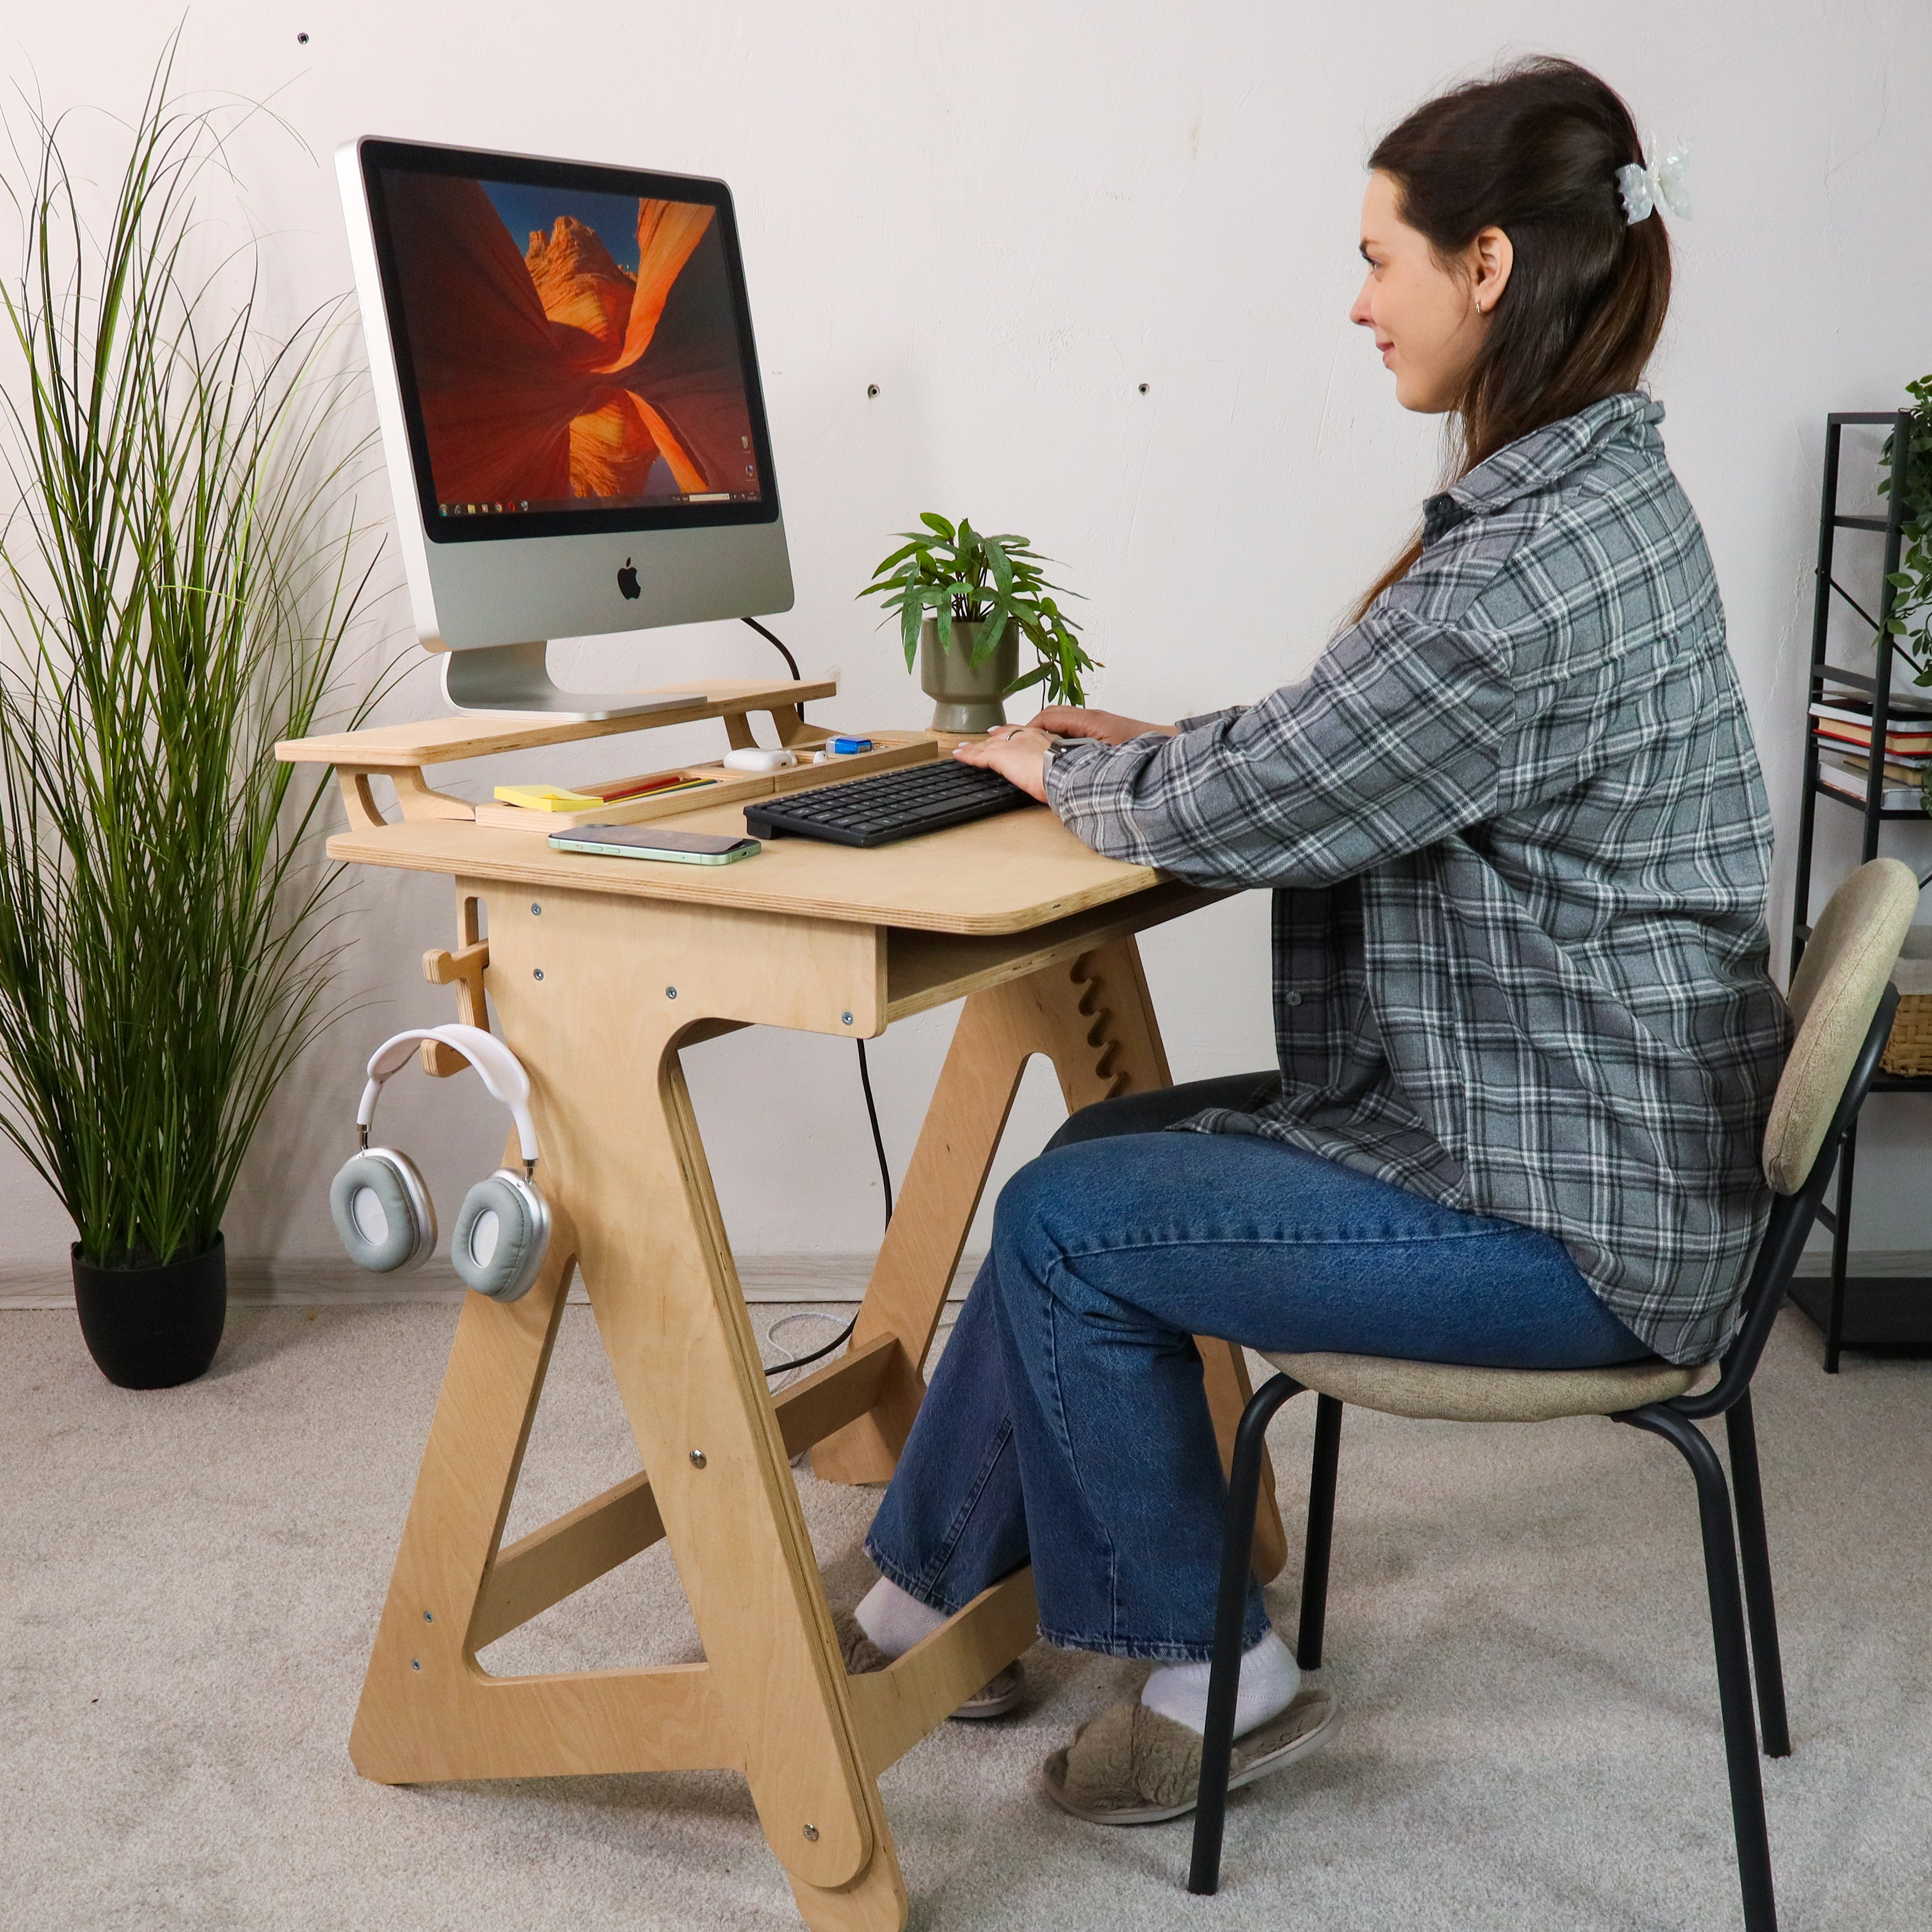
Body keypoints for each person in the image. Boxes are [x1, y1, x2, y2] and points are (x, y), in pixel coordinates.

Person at [836, 55, 1789, 1825]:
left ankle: (1221, 1682)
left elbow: (1260, 797)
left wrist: (1068, 772)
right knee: (1109, 1147)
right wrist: (1144, 759)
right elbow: (1341, 744)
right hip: (1605, 1144)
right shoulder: (1592, 501)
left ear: (1486, 267)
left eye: (1380, 258)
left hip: (1575, 1224)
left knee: (1067, 1227)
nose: (1359, 302)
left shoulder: (1518, 579)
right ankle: (927, 1585)